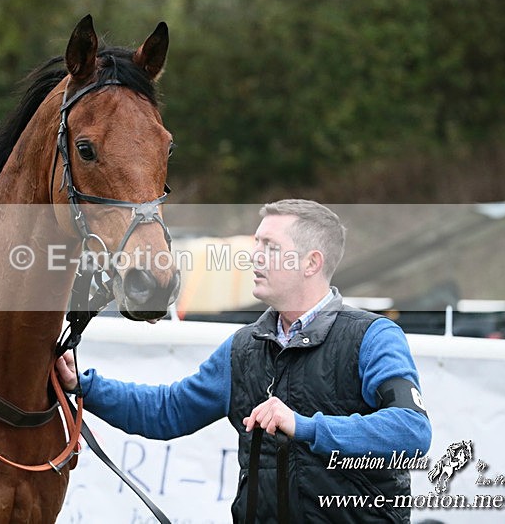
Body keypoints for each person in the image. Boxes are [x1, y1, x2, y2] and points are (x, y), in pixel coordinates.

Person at [56, 199, 431, 523]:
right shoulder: (242, 348)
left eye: (270, 246)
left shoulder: (373, 336)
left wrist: (303, 427)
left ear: (311, 262)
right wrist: (83, 385)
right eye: (257, 244)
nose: (255, 257)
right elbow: (166, 411)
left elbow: (412, 432)